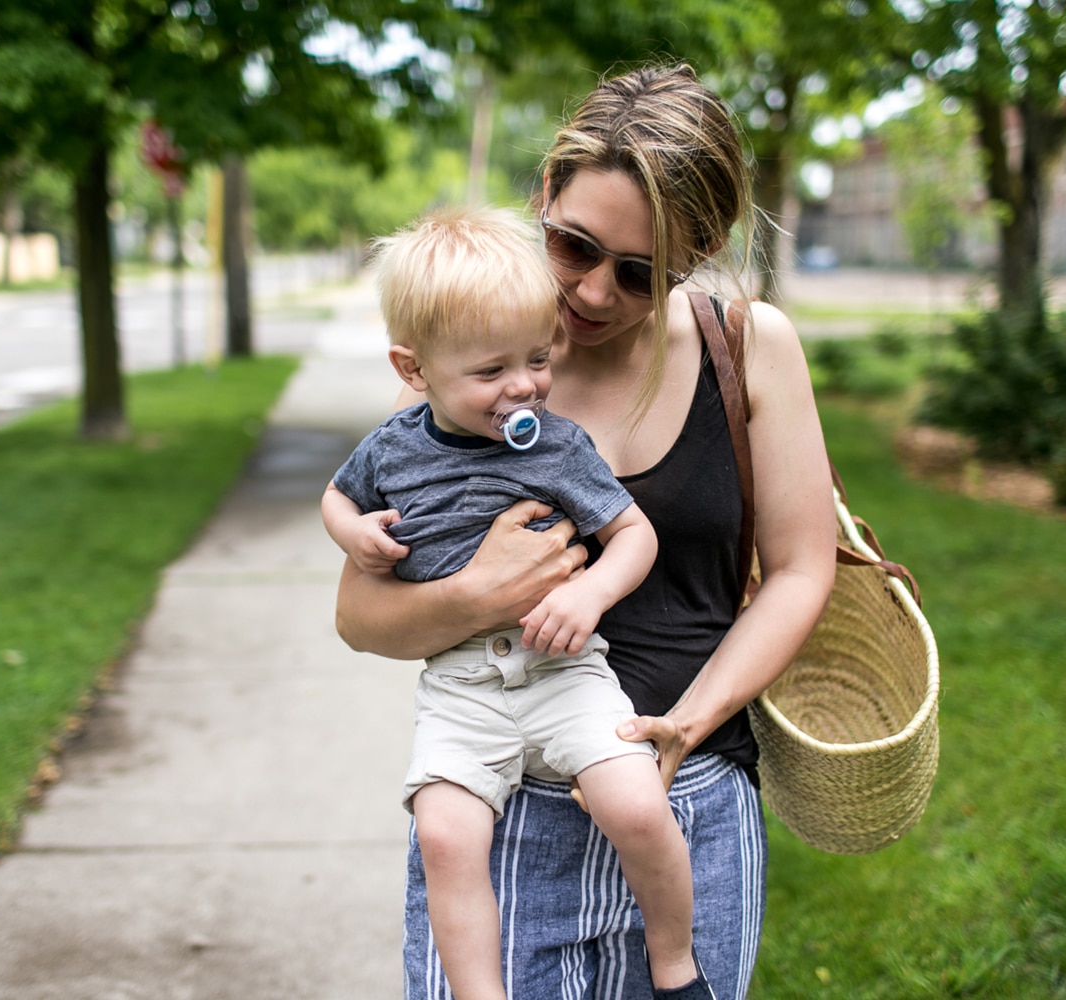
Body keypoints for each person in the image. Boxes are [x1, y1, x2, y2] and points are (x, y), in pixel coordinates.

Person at [334, 64, 837, 999]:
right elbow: (361, 615)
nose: (597, 293)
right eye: (574, 247)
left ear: (704, 248)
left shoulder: (749, 346)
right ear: (543, 199)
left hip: (688, 808)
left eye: (641, 272)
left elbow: (804, 572)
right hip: (505, 817)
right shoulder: (478, 360)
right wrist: (474, 596)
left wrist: (691, 721)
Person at [322, 205, 716, 1000]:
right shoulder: (392, 448)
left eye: (537, 359)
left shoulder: (558, 446)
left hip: (564, 669)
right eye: (491, 371)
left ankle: (676, 965)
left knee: (637, 804)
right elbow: (336, 498)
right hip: (462, 686)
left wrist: (594, 590)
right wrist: (353, 535)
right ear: (414, 369)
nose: (524, 387)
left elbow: (632, 534)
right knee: (444, 832)